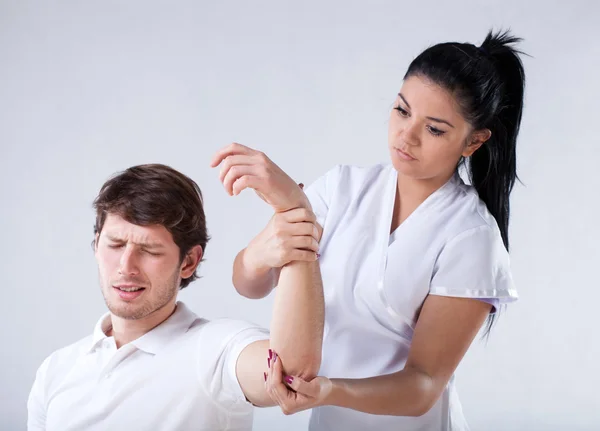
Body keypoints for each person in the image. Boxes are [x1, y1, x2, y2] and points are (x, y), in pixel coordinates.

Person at [212, 29, 524, 430]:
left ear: (473, 141)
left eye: (434, 129)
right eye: (401, 110)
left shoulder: (471, 236)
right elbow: (249, 283)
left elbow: (423, 384)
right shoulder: (342, 189)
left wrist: (329, 390)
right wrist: (269, 239)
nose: (406, 136)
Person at [27, 163, 325, 431]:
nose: (126, 267)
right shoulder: (56, 369)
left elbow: (291, 374)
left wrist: (297, 222)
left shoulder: (215, 350)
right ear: (95, 245)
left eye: (149, 250)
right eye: (115, 245)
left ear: (189, 262)